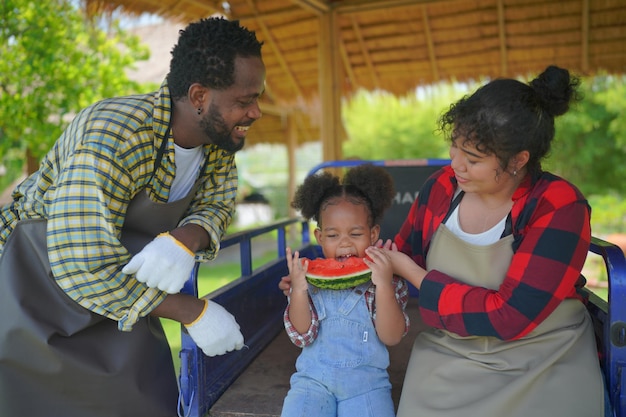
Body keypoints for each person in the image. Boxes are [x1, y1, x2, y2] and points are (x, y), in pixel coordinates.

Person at [0, 17, 265, 417]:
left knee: (151, 402)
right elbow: (81, 262)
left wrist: (185, 238)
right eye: (244, 101)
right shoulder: (115, 135)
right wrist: (193, 312)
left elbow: (217, 204)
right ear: (198, 96)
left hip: (121, 294)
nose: (256, 111)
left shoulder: (217, 146)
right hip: (35, 290)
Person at [366, 65, 605, 416]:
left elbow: (509, 317)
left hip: (541, 358)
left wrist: (417, 276)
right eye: (455, 147)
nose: (456, 164)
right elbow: (401, 255)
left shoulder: (558, 206)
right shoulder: (442, 187)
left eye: (473, 158)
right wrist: (324, 279)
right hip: (450, 354)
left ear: (518, 161)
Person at [279, 164, 410, 417]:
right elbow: (302, 336)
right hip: (312, 382)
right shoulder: (310, 280)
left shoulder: (387, 281)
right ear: (319, 237)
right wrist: (298, 291)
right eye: (333, 235)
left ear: (373, 234)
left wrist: (383, 284)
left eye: (356, 233)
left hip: (368, 386)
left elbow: (392, 337)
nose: (345, 242)